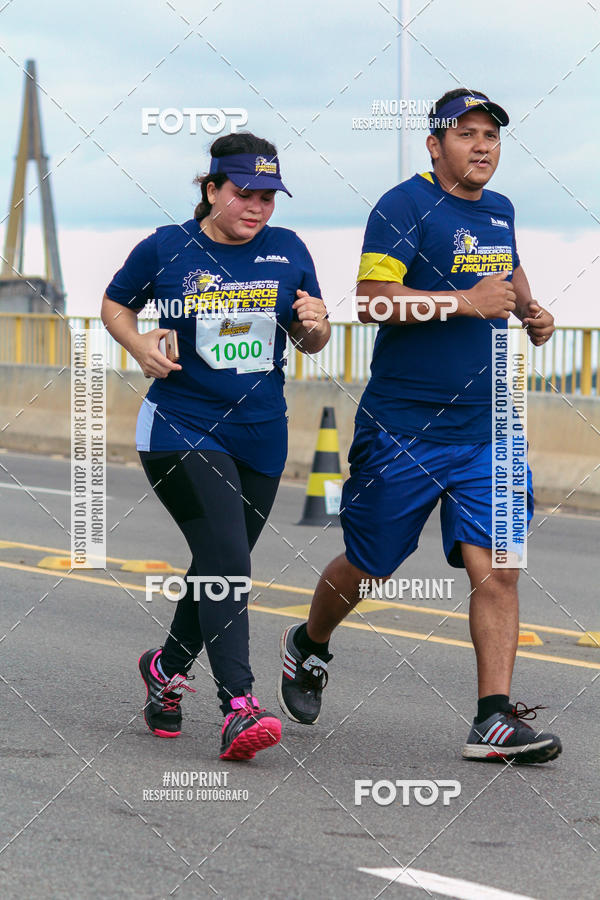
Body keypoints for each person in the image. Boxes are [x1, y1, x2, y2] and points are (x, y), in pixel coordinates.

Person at [278, 89, 562, 765]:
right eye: (467, 134)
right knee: (371, 564)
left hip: (488, 428)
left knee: (498, 571)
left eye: (492, 135)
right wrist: (466, 302)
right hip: (404, 426)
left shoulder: (500, 209)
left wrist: (530, 306)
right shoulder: (403, 206)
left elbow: (505, 261)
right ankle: (309, 644)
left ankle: (492, 720)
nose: (483, 146)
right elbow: (374, 301)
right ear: (435, 145)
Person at [101, 132, 330, 760]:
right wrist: (138, 343)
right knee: (228, 555)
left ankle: (165, 671)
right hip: (181, 425)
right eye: (244, 194)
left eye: (268, 197)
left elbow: (312, 336)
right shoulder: (168, 247)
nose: (257, 208)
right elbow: (115, 303)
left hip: (260, 434)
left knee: (216, 567)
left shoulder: (288, 251)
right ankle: (239, 704)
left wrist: (316, 327)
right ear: (212, 191)